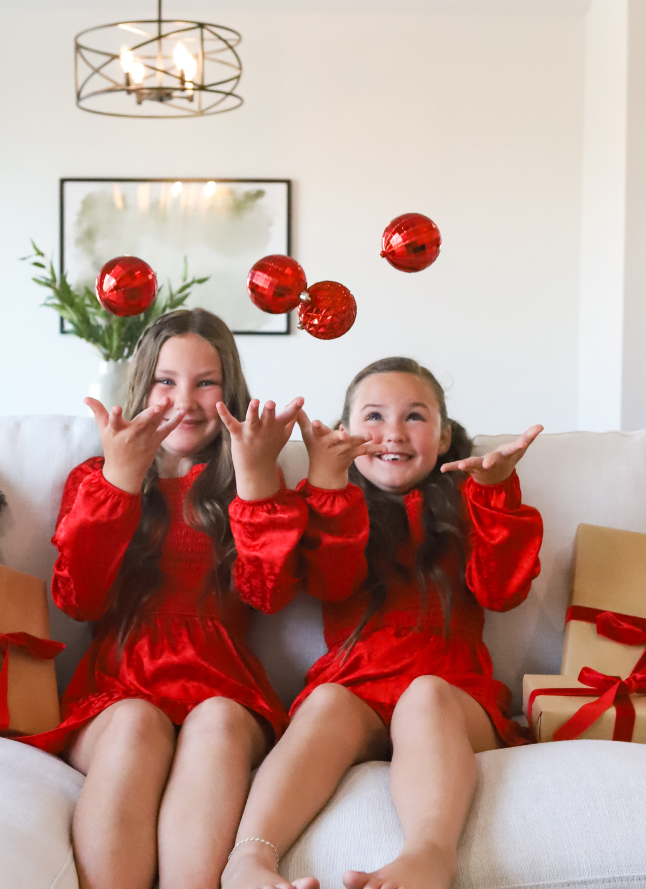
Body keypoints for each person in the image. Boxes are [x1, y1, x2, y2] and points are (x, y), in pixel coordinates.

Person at [222, 356, 544, 889]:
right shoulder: (332, 502)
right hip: (357, 686)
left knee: (425, 695)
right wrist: (329, 489)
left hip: (452, 696)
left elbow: (502, 592)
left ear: (444, 438)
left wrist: (496, 490)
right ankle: (249, 861)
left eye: (415, 417)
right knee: (325, 702)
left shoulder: (468, 499)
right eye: (373, 416)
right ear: (344, 433)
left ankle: (429, 855)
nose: (393, 432)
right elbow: (333, 584)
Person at [26, 308, 307, 889]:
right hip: (118, 687)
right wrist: (120, 484)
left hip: (221, 685)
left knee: (220, 722)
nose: (187, 400)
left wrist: (255, 485)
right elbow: (78, 600)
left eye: (206, 382)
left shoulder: (250, 481)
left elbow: (270, 594)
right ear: (141, 386)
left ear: (230, 391)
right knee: (136, 724)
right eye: (167, 381)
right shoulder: (95, 478)